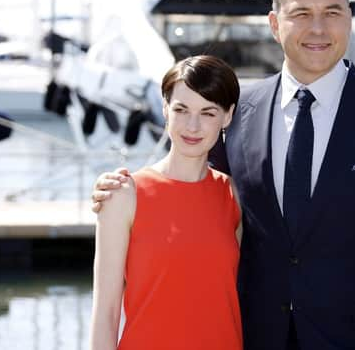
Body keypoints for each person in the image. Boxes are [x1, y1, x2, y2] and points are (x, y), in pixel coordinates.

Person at [93, 0, 355, 350]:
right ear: (275, 25)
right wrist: (124, 190)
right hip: (255, 338)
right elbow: (200, 197)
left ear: (348, 18)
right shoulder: (240, 111)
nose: (318, 28)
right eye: (301, 13)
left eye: (331, 12)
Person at [89, 55, 242, 350]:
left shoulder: (234, 195)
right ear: (165, 110)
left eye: (208, 113)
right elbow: (105, 312)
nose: (192, 125)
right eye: (181, 109)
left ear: (228, 116)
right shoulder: (123, 195)